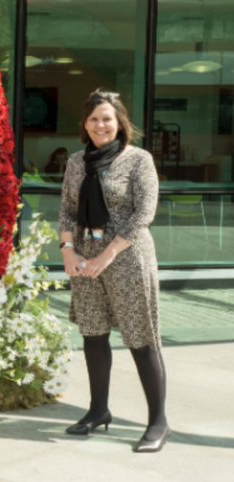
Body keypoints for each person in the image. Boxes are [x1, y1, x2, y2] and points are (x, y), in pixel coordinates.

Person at [58, 89, 168, 452]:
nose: (100, 125)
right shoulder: (77, 162)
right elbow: (67, 210)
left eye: (106, 118)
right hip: (85, 258)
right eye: (93, 119)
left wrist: (108, 254)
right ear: (85, 124)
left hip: (127, 257)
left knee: (141, 337)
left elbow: (144, 214)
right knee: (93, 333)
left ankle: (158, 422)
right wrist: (68, 250)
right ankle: (98, 410)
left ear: (119, 122)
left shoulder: (138, 160)